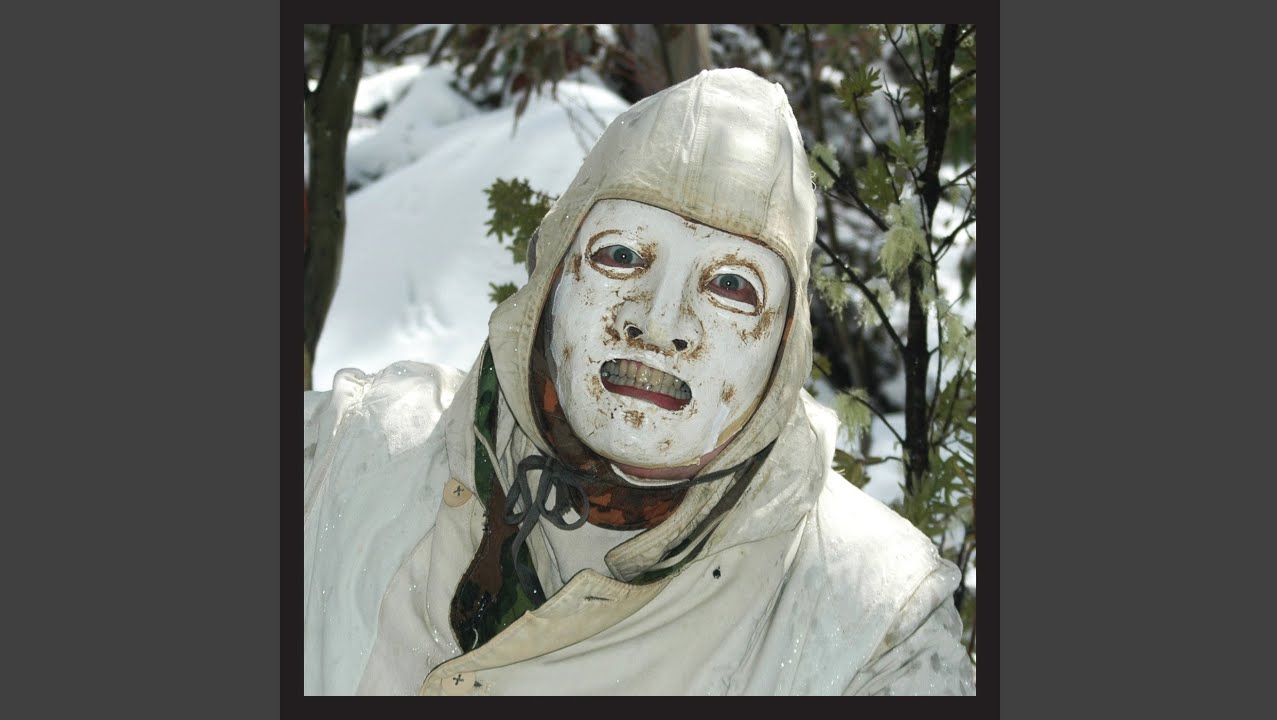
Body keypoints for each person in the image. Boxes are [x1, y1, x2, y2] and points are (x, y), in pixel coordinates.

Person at [303, 67, 977, 696]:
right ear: (550, 283)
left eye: (731, 285)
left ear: (784, 348)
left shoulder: (872, 625)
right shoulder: (339, 460)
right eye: (622, 255)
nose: (659, 324)